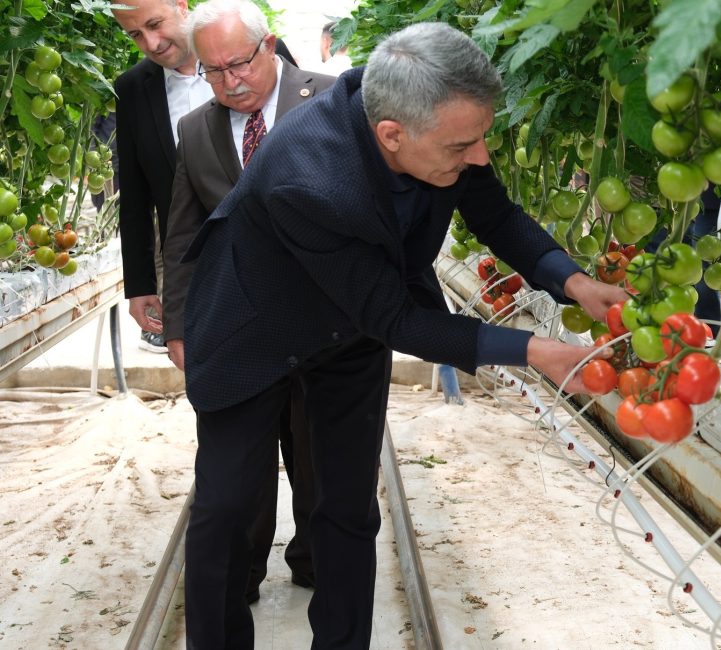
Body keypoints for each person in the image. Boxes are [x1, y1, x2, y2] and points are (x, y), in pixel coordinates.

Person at [179, 22, 627, 647]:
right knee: (226, 511)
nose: (479, 157)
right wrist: (532, 351)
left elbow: (493, 212)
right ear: (391, 136)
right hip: (251, 329)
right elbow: (393, 317)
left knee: (346, 511)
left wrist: (574, 283)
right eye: (463, 148)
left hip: (346, 332)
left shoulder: (437, 121)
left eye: (482, 139)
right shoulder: (309, 175)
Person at [160, 0, 336, 605]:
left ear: (271, 46)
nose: (231, 81)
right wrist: (178, 326)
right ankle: (242, 575)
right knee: (241, 473)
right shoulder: (196, 131)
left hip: (324, 330)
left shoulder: (335, 102)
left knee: (320, 458)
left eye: (239, 64)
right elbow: (183, 235)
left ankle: (316, 560)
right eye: (213, 71)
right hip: (236, 332)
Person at [111, 0, 296, 354]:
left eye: (155, 24)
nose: (151, 43)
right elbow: (134, 196)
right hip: (199, 268)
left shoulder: (259, 54)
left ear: (181, 5)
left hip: (285, 258)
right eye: (135, 34)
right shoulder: (133, 88)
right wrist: (140, 284)